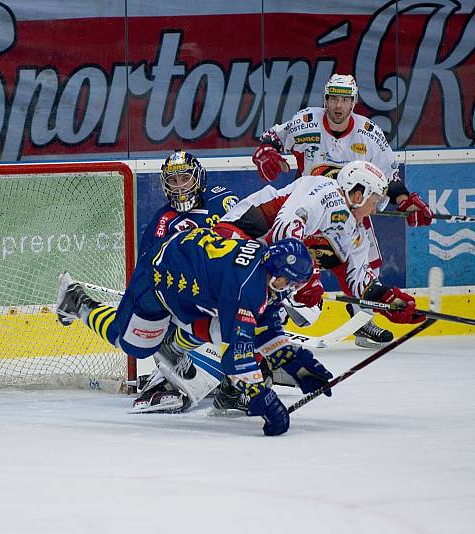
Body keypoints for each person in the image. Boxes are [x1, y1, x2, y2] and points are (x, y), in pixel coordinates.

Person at [57, 231, 322, 436]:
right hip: (160, 278)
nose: (289, 289)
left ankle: (174, 346)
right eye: (289, 282)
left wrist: (293, 361)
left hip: (191, 280)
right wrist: (261, 399)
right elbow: (236, 357)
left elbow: (265, 327)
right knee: (135, 346)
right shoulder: (246, 287)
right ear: (277, 275)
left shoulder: (265, 271)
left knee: (223, 327)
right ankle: (77, 303)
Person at [251, 73, 433, 347]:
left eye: (344, 100)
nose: (338, 106)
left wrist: (404, 199)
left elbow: (388, 175)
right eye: (333, 99)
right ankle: (272, 317)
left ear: (354, 102)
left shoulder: (369, 133)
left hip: (351, 213)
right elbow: (273, 137)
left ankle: (363, 320)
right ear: (326, 100)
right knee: (291, 260)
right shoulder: (307, 121)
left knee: (367, 266)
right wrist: (267, 151)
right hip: (310, 208)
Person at [216, 160, 425, 359]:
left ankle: (251, 359)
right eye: (374, 202)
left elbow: (359, 281)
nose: (374, 210)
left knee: (307, 309)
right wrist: (309, 278)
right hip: (236, 237)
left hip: (267, 259)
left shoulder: (356, 232)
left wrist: (390, 300)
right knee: (253, 295)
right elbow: (282, 234)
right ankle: (234, 355)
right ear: (359, 195)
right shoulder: (321, 190)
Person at [130, 150, 240, 412]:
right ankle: (174, 367)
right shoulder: (162, 222)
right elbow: (148, 275)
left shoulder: (225, 201)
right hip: (188, 305)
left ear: (198, 178)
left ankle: (240, 370)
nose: (179, 187)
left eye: (185, 179)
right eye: (173, 181)